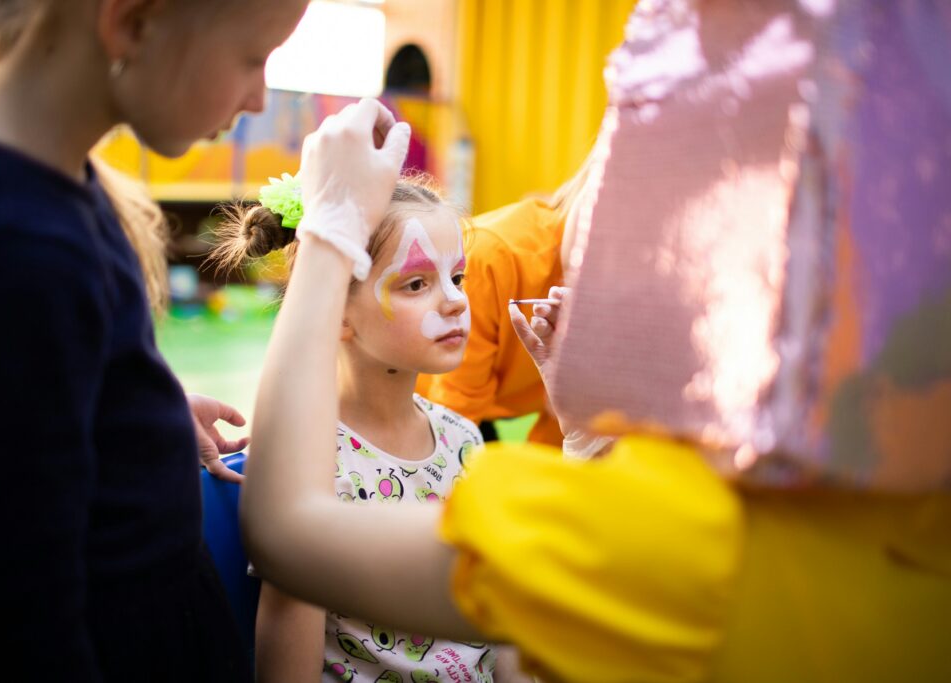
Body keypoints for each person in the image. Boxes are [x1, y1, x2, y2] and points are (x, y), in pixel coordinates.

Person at [238, 1, 951, 682]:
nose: (458, 296)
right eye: (426, 283)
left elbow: (290, 532)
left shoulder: (684, 537)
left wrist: (331, 231)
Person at [0, 1, 411, 680]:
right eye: (252, 58)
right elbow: (7, 615)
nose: (259, 95)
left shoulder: (31, 174)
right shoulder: (13, 254)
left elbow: (10, 405)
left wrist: (132, 411)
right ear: (131, 21)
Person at [212, 176, 528, 682]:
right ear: (335, 310)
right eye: (417, 284)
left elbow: (498, 625)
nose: (454, 302)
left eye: (458, 278)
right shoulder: (308, 464)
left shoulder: (464, 440)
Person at [415, 160, 593, 448]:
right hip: (429, 404)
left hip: (488, 406)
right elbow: (452, 418)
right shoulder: (494, 259)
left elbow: (563, 432)